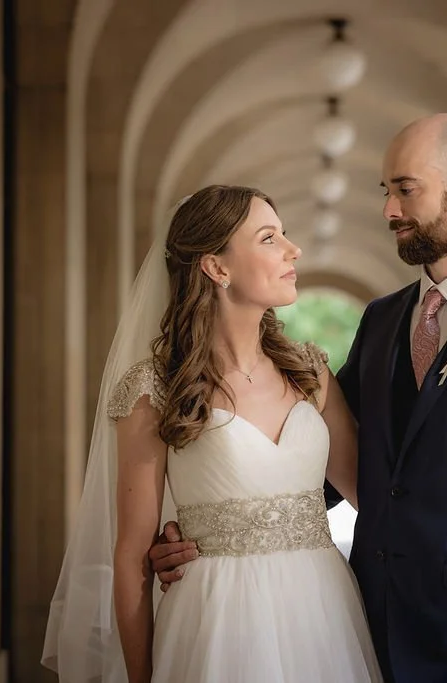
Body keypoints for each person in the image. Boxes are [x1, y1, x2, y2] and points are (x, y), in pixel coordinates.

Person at [150, 114, 447, 683]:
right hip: (370, 633)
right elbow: (315, 460)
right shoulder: (382, 321)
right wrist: (203, 533)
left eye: (405, 190)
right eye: (386, 191)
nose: (389, 210)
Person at [42, 185, 384, 682]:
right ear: (216, 267)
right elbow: (132, 556)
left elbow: (378, 495)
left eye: (283, 235)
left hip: (322, 615)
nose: (293, 250)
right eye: (269, 238)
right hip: (216, 622)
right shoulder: (154, 390)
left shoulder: (311, 373)